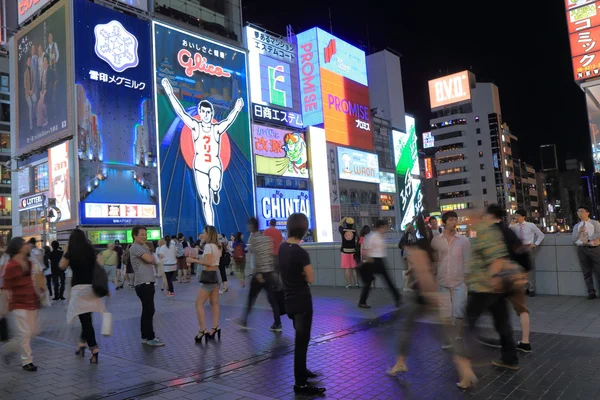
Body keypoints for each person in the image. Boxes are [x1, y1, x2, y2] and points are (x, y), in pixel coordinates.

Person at [454, 206, 522, 390]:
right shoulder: (483, 230)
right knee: (502, 323)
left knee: (468, 326)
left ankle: (467, 372)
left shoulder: (484, 230)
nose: (468, 220)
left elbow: (497, 258)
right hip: (494, 287)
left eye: (469, 217)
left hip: (484, 287)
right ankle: (510, 359)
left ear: (478, 217)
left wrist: (492, 279)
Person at [162, 77, 244, 226]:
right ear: (200, 112)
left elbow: (229, 120)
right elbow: (181, 112)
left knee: (215, 184)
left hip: (214, 163)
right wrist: (169, 93)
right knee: (205, 200)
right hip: (199, 165)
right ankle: (210, 227)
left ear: (212, 113)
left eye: (208, 112)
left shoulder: (216, 128)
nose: (206, 114)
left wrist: (237, 110)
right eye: (203, 111)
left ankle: (216, 191)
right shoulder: (195, 125)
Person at [387, 215, 439, 377]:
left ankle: (465, 369)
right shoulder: (431, 243)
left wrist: (430, 294)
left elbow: (424, 273)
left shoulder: (418, 247)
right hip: (424, 294)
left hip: (421, 294)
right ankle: (400, 362)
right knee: (442, 333)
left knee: (407, 329)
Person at [280, 213, 325, 395]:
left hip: (289, 300)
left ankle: (303, 372)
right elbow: (311, 278)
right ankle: (300, 384)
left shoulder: (282, 248)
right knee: (302, 342)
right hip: (302, 302)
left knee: (300, 340)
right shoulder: (300, 252)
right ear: (304, 229)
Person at [60, 229, 104, 364]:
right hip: (91, 288)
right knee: (87, 318)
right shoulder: (90, 250)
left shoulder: (71, 252)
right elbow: (100, 264)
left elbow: (62, 266)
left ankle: (94, 348)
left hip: (78, 289)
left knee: (85, 321)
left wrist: (66, 251)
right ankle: (82, 343)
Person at [233, 217, 282, 331]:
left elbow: (257, 257)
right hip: (269, 272)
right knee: (272, 299)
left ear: (251, 226)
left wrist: (259, 273)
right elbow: (270, 256)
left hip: (260, 274)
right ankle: (277, 323)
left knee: (251, 297)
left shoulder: (254, 239)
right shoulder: (267, 239)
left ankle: (244, 320)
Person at [431, 211, 471, 349]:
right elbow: (434, 261)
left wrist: (466, 279)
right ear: (444, 222)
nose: (454, 222)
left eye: (455, 219)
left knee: (459, 311)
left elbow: (467, 261)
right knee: (445, 313)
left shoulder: (463, 240)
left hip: (459, 281)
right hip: (442, 280)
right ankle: (449, 338)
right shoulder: (436, 240)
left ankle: (458, 336)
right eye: (451, 219)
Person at [2, 237, 41, 371]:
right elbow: (6, 287)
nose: (27, 245)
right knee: (25, 333)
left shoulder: (28, 263)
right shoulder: (10, 266)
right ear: (18, 247)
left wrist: (37, 296)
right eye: (24, 244)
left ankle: (7, 349)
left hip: (31, 301)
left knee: (32, 332)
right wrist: (6, 306)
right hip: (18, 304)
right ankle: (27, 361)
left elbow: (31, 281)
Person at [186, 225, 223, 343]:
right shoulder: (218, 246)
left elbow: (208, 262)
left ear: (209, 234)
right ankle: (215, 327)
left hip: (209, 277)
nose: (202, 235)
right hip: (217, 275)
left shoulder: (208, 246)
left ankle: (202, 330)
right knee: (214, 302)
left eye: (204, 233)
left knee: (198, 304)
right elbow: (215, 261)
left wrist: (194, 260)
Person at [130, 225, 164, 347]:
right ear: (135, 236)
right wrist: (150, 253)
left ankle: (145, 336)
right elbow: (150, 259)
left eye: (145, 234)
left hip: (147, 282)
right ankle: (150, 337)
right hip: (144, 283)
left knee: (147, 311)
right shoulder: (135, 247)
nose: (145, 237)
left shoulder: (141, 247)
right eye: (142, 234)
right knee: (149, 310)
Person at [358, 220, 401, 309]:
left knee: (385, 280)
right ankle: (397, 298)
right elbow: (368, 251)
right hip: (374, 261)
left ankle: (397, 298)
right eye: (385, 227)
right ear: (381, 227)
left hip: (379, 260)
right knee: (377, 281)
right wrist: (368, 261)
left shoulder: (380, 236)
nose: (386, 229)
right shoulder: (372, 236)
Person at [509, 209, 544, 297]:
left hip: (528, 247)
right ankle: (524, 288)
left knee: (530, 269)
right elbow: (509, 234)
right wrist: (511, 225)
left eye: (518, 215)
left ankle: (531, 288)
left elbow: (541, 235)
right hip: (518, 249)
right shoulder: (514, 226)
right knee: (520, 269)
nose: (516, 217)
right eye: (515, 215)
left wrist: (535, 244)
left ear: (523, 216)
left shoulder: (530, 225)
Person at [573, 205, 600, 299]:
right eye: (578, 212)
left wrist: (588, 240)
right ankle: (591, 292)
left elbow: (598, 233)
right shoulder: (577, 226)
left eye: (581, 211)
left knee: (598, 270)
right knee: (586, 272)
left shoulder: (595, 223)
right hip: (582, 249)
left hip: (594, 248)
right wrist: (579, 232)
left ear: (587, 213)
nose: (580, 214)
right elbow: (573, 238)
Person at [339, 217, 359, 289]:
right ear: (352, 224)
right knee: (354, 268)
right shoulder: (354, 230)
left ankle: (349, 284)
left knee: (347, 268)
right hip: (353, 251)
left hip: (344, 251)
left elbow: (339, 224)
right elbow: (358, 237)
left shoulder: (343, 230)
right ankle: (356, 283)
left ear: (346, 223)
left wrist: (344, 218)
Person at [24, 56, 37, 130]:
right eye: (28, 60)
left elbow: (34, 81)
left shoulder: (32, 70)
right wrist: (28, 90)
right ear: (27, 62)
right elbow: (25, 84)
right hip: (27, 93)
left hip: (32, 91)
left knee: (35, 100)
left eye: (30, 60)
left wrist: (32, 90)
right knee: (30, 106)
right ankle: (31, 125)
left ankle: (34, 115)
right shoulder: (25, 72)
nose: (29, 61)